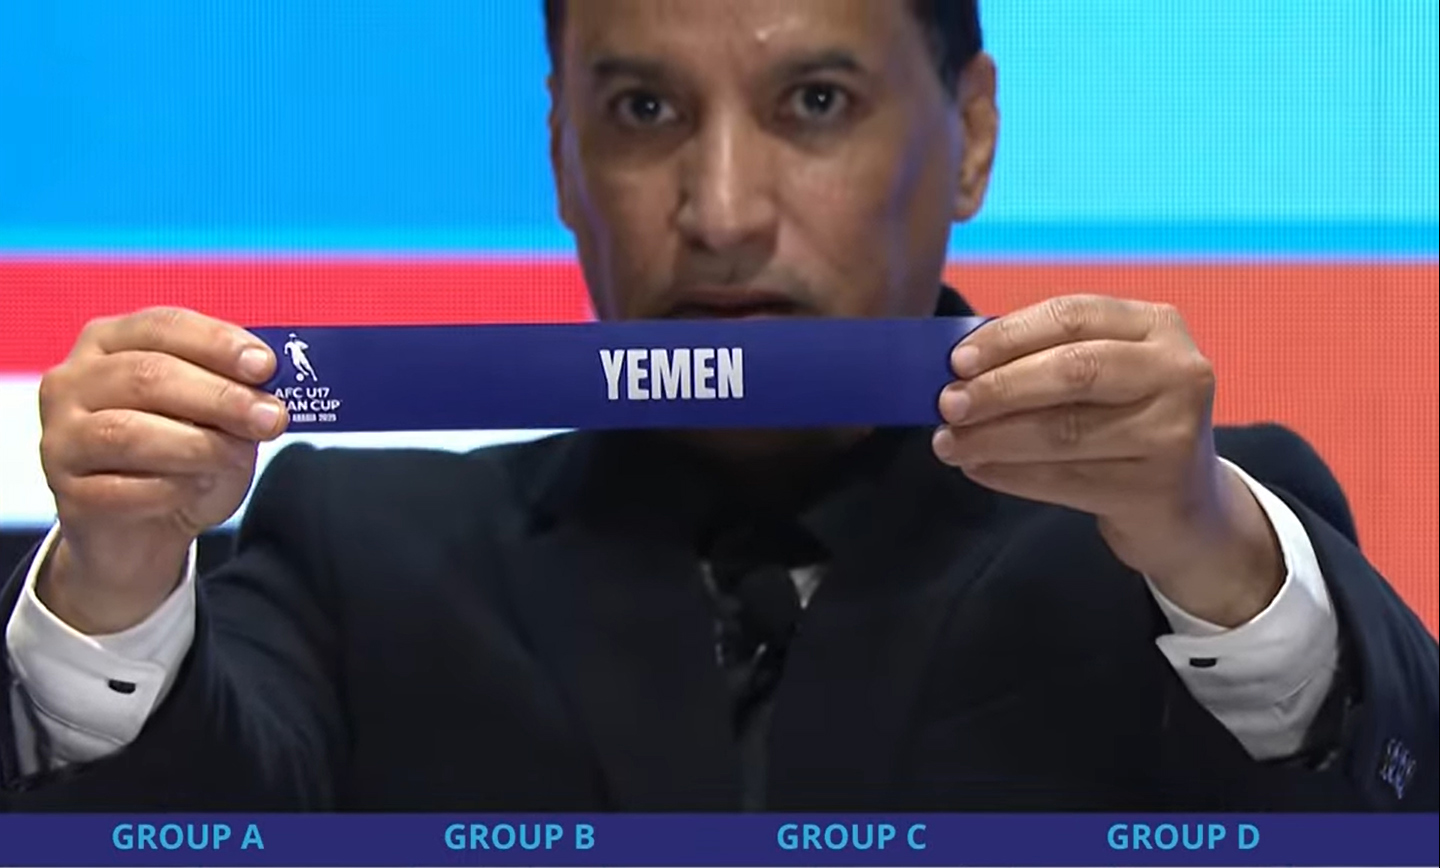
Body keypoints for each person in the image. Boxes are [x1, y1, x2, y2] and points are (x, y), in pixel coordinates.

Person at [1, 0, 1435, 812]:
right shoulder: (351, 544)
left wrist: (1214, 560)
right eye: (643, 112)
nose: (724, 211)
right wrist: (113, 586)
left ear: (972, 134)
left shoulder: (1192, 539)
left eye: (815, 103)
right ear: (561, 156)